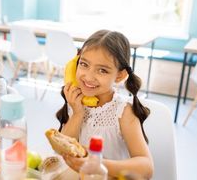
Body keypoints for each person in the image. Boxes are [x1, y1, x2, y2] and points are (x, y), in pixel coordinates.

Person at [56, 30, 154, 178]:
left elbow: (146, 167)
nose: (88, 76)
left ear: (119, 75)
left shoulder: (123, 111)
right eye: (84, 64)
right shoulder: (75, 101)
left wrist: (96, 164)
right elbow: (62, 152)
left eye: (102, 70)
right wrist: (77, 113)